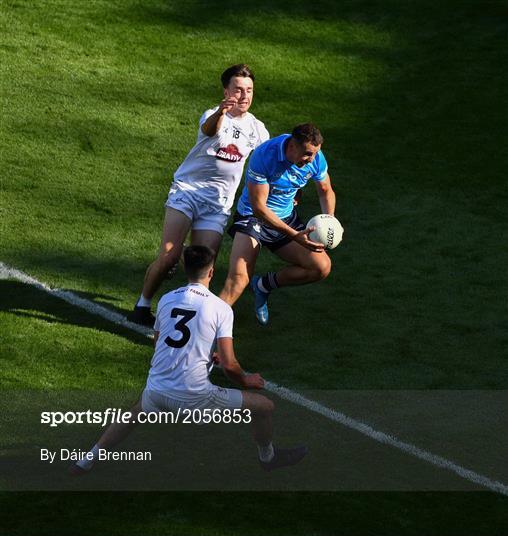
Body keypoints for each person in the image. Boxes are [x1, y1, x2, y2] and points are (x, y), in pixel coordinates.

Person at [71, 246, 307, 474]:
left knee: (135, 413)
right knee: (265, 407)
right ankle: (268, 458)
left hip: (157, 391)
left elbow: (160, 344)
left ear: (187, 271)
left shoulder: (165, 300)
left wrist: (205, 356)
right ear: (211, 272)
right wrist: (247, 380)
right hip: (195, 399)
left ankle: (87, 459)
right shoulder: (221, 309)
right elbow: (229, 365)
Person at [130, 64, 269, 327]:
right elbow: (209, 129)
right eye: (238, 90)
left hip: (218, 204)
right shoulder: (215, 115)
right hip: (188, 192)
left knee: (204, 266)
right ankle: (142, 305)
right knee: (169, 255)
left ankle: (187, 318)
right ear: (226, 90)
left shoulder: (257, 129)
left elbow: (265, 163)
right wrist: (221, 111)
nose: (244, 96)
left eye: (249, 90)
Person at [220, 123, 336, 325]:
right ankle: (202, 332)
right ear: (292, 146)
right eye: (308, 154)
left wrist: (329, 220)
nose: (312, 159)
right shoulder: (265, 155)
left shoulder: (315, 158)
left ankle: (263, 286)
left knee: (321, 267)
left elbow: (325, 190)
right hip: (253, 218)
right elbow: (259, 208)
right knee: (239, 279)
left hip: (286, 217)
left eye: (315, 154)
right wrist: (294, 235)